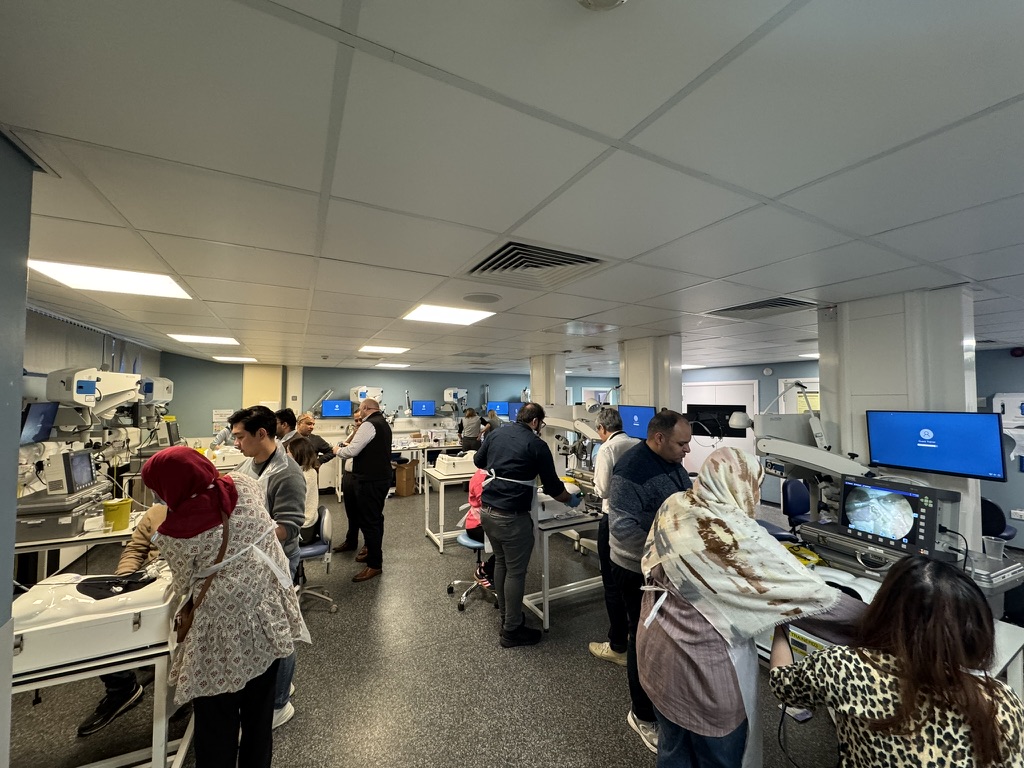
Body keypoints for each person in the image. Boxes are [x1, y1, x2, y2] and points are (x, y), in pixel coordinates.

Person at [639, 447, 858, 768]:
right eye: (754, 484)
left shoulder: (676, 503)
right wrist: (891, 619)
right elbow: (816, 602)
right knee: (719, 757)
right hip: (703, 673)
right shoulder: (733, 537)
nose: (755, 493)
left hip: (655, 651)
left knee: (673, 749)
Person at [770, 554, 1024, 768]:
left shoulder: (842, 666)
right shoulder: (1003, 702)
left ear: (882, 607)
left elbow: (782, 684)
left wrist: (778, 624)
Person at [141, 446, 308, 768]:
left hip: (219, 637)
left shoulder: (176, 533)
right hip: (265, 616)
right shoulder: (244, 486)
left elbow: (184, 583)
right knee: (259, 715)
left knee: (217, 721)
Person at [607, 409, 692, 753]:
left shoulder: (671, 463)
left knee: (664, 639)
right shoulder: (630, 471)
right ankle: (642, 715)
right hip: (636, 570)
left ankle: (667, 700)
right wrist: (663, 554)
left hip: (669, 566)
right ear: (659, 438)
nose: (687, 450)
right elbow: (622, 529)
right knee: (640, 638)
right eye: (682, 444)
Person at [473, 402, 580, 647]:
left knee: (501, 563)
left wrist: (501, 468)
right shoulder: (536, 445)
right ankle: (511, 631)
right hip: (512, 519)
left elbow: (479, 461)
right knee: (516, 572)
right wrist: (571, 500)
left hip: (488, 513)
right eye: (541, 423)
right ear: (535, 422)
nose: (541, 427)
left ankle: (506, 616)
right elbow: (553, 488)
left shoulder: (496, 434)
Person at [229, 405, 306, 728]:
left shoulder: (287, 474)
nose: (236, 443)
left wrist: (244, 533)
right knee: (265, 630)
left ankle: (279, 704)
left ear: (262, 433)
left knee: (279, 631)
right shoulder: (249, 464)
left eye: (240, 437)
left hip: (278, 560)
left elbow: (289, 527)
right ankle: (278, 683)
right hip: (254, 558)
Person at [77, 502, 168, 736]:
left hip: (179, 582)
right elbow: (135, 550)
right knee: (102, 614)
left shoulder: (204, 508)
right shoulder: (156, 513)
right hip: (147, 580)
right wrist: (123, 581)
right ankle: (122, 687)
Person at [587, 407, 639, 667]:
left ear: (602, 428)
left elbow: (603, 489)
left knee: (611, 582)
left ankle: (617, 645)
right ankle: (635, 637)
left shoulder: (607, 449)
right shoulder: (637, 444)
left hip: (613, 519)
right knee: (632, 581)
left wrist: (593, 487)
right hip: (637, 520)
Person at [332, 398, 392, 582]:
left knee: (370, 522)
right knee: (374, 519)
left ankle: (375, 565)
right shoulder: (383, 423)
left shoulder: (369, 424)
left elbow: (351, 451)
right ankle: (372, 554)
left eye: (360, 409)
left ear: (366, 408)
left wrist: (336, 450)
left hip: (369, 480)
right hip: (380, 478)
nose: (360, 413)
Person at [332, 411, 364, 554]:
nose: (358, 423)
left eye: (360, 420)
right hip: (349, 475)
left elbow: (349, 450)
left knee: (364, 513)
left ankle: (368, 545)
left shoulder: (367, 435)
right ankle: (351, 541)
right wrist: (354, 432)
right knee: (351, 511)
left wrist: (344, 447)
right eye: (356, 420)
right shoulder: (355, 433)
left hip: (360, 476)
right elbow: (344, 445)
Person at [286, 436, 319, 533]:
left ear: (297, 454)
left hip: (302, 526)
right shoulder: (310, 471)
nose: (286, 455)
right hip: (309, 521)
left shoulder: (300, 476)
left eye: (288, 452)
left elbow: (292, 504)